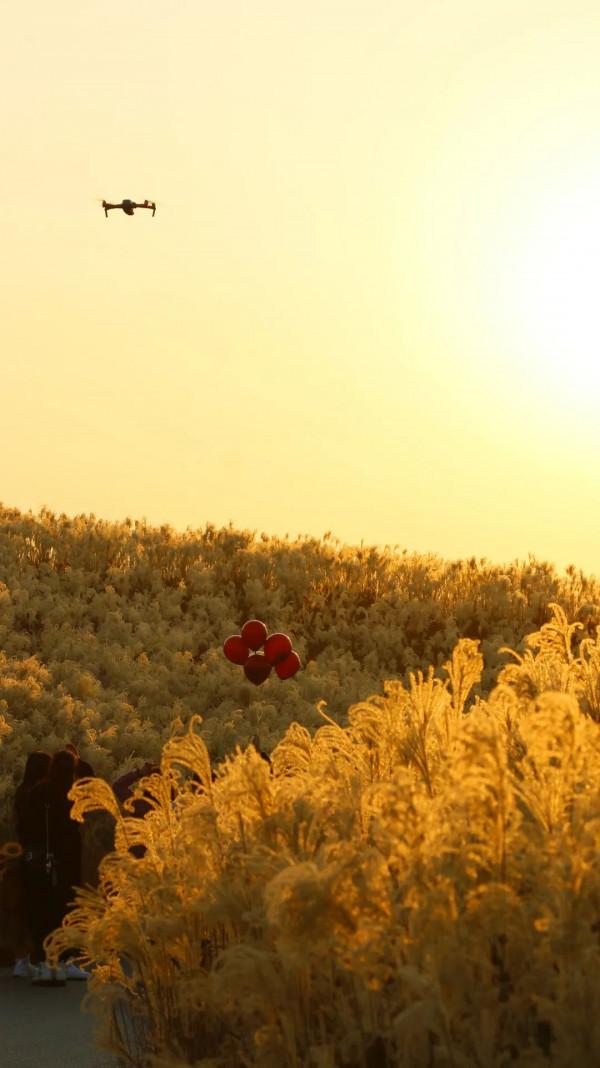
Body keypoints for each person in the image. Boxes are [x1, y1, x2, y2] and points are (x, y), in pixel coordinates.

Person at [20, 750, 89, 985]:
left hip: (40, 862)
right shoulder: (72, 794)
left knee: (42, 914)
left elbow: (24, 827)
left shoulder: (38, 793)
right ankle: (64, 962)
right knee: (65, 914)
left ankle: (45, 965)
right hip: (67, 864)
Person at [11, 751, 52, 978]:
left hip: (24, 853)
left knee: (23, 908)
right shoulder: (40, 795)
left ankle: (22, 959)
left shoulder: (21, 792)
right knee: (38, 908)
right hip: (39, 855)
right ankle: (41, 959)